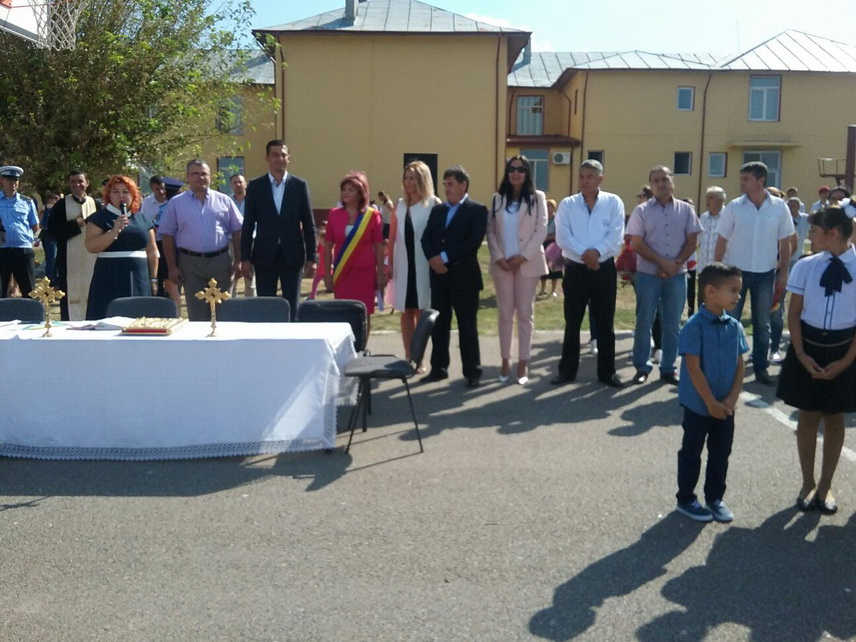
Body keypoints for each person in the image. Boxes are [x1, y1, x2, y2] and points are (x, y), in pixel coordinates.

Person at [776, 208, 856, 516]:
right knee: (808, 415)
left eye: (814, 231)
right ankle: (807, 483)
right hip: (807, 348)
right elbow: (794, 312)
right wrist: (800, 354)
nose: (809, 236)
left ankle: (826, 485)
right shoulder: (806, 266)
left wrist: (845, 362)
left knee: (835, 418)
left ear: (833, 233)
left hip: (845, 351)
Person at [675, 263, 747, 522]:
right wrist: (710, 403)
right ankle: (686, 499)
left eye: (739, 291)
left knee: (720, 452)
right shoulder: (694, 326)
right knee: (692, 451)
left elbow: (740, 364)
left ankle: (715, 498)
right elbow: (693, 368)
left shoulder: (735, 326)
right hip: (699, 405)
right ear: (710, 291)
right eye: (733, 290)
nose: (738, 296)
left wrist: (731, 399)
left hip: (725, 406)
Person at [714, 162, 794, 385]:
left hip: (765, 273)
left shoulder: (779, 207)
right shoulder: (734, 207)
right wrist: (716, 269)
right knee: (730, 321)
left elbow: (785, 242)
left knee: (762, 323)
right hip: (735, 274)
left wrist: (783, 271)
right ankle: (726, 368)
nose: (742, 183)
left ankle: (760, 368)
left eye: (746, 179)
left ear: (761, 180)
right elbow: (721, 240)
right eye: (741, 178)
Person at [550, 159, 624, 387]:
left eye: (590, 177)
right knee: (573, 322)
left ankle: (607, 372)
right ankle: (567, 371)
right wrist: (586, 254)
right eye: (581, 176)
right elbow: (563, 237)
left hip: (604, 269)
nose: (584, 181)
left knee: (605, 323)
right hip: (576, 270)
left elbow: (616, 235)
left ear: (600, 179)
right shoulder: (568, 204)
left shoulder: (613, 202)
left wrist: (597, 253)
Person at [627, 166, 702, 385]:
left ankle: (669, 368)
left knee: (673, 324)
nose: (660, 184)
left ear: (672, 181)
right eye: (655, 180)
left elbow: (692, 241)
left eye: (664, 179)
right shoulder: (641, 211)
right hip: (648, 275)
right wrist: (663, 263)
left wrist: (675, 264)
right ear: (651, 185)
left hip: (677, 275)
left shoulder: (686, 210)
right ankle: (642, 367)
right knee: (644, 322)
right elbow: (636, 243)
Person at [421, 165, 488, 387]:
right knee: (439, 326)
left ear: (463, 185)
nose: (446, 188)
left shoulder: (477, 210)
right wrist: (433, 259)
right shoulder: (438, 210)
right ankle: (439, 368)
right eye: (445, 184)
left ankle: (472, 372)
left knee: (467, 327)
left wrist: (444, 258)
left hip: (464, 278)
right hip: (439, 278)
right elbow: (426, 238)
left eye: (450, 184)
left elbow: (473, 242)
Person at [487, 155, 548, 385]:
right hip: (503, 264)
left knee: (524, 313)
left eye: (520, 169)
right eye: (512, 169)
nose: (516, 173)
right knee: (505, 313)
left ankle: (523, 361)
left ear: (527, 173)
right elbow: (491, 231)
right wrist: (498, 256)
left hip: (527, 263)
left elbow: (541, 230)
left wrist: (522, 257)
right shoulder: (497, 198)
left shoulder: (537, 197)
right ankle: (505, 359)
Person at [241, 140, 316, 321]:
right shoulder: (256, 186)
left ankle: (291, 336)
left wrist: (312, 257)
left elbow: (308, 223)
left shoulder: (299, 185)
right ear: (267, 158)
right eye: (275, 155)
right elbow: (248, 224)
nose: (279, 159)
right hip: (264, 256)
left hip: (292, 255)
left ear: (288, 158)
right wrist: (245, 258)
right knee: (266, 306)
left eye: (283, 155)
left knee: (292, 305)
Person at [159, 159, 243, 321]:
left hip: (221, 262)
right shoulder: (176, 203)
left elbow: (237, 231)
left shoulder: (224, 200)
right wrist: (172, 267)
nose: (200, 177)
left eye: (204, 174)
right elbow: (167, 235)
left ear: (210, 176)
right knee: (197, 313)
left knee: (225, 310)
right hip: (190, 264)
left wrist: (239, 260)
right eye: (195, 174)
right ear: (188, 177)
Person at [387, 160, 440, 370]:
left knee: (421, 311)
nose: (408, 182)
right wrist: (389, 264)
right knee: (406, 310)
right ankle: (408, 355)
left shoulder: (433, 204)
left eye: (413, 178)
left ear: (422, 180)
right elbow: (392, 237)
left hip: (424, 266)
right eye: (406, 178)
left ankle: (420, 358)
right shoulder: (400, 205)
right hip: (403, 265)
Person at [84, 175, 158, 319]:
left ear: (133, 195)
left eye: (125, 192)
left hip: (139, 277)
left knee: (138, 317)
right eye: (116, 192)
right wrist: (113, 232)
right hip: (109, 276)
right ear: (109, 195)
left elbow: (152, 250)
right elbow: (91, 246)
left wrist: (153, 279)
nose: (121, 196)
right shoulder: (98, 218)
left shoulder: (143, 219)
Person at [323, 172, 386, 335]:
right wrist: (328, 272)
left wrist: (380, 273)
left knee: (364, 312)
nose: (346, 192)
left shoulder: (372, 215)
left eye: (351, 189)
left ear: (360, 193)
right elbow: (328, 244)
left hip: (365, 272)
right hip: (343, 272)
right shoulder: (334, 214)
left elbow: (379, 246)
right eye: (344, 189)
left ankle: (362, 346)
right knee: (343, 311)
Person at [48, 170, 98, 318]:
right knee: (69, 295)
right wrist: (76, 224)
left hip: (93, 257)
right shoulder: (61, 205)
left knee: (93, 292)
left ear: (87, 183)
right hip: (69, 259)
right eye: (73, 182)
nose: (77, 185)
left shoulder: (96, 204)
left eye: (80, 181)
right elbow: (53, 231)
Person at [770, 196, 810, 362]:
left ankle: (774, 348)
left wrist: (782, 263)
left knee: (776, 309)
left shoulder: (785, 220)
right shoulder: (761, 218)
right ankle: (760, 349)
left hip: (780, 269)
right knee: (762, 313)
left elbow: (793, 242)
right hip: (761, 271)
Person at [140, 175, 183, 313]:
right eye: (157, 189)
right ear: (152, 189)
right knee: (157, 282)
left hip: (172, 245)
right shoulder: (147, 202)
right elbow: (144, 222)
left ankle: (176, 313)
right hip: (155, 244)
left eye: (163, 189)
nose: (161, 192)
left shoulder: (174, 202)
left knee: (172, 283)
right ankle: (160, 312)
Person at [0, 165, 39, 298]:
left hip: (22, 250)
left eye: (15, 180)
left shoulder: (27, 202)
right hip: (2, 250)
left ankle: (30, 312)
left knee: (30, 292)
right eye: (9, 179)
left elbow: (35, 225)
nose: (13, 183)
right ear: (2, 180)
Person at [229, 174, 256, 298]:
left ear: (245, 184)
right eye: (235, 182)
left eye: (240, 182)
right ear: (231, 185)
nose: (238, 185)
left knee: (250, 277)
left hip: (251, 241)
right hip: (231, 243)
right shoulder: (227, 202)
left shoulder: (254, 200)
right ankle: (231, 305)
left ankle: (251, 305)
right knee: (231, 277)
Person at [538, 198, 562, 298]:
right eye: (546, 205)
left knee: (554, 267)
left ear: (554, 207)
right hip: (542, 245)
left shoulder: (557, 219)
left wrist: (546, 237)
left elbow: (558, 234)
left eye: (550, 206)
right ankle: (542, 289)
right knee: (542, 267)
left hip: (553, 245)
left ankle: (553, 290)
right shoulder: (542, 218)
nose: (548, 208)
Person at [39, 193, 60, 283]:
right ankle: (50, 280)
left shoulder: (58, 208)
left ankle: (54, 279)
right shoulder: (45, 208)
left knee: (56, 259)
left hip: (56, 236)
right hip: (48, 236)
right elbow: (41, 223)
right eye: (55, 199)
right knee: (51, 259)